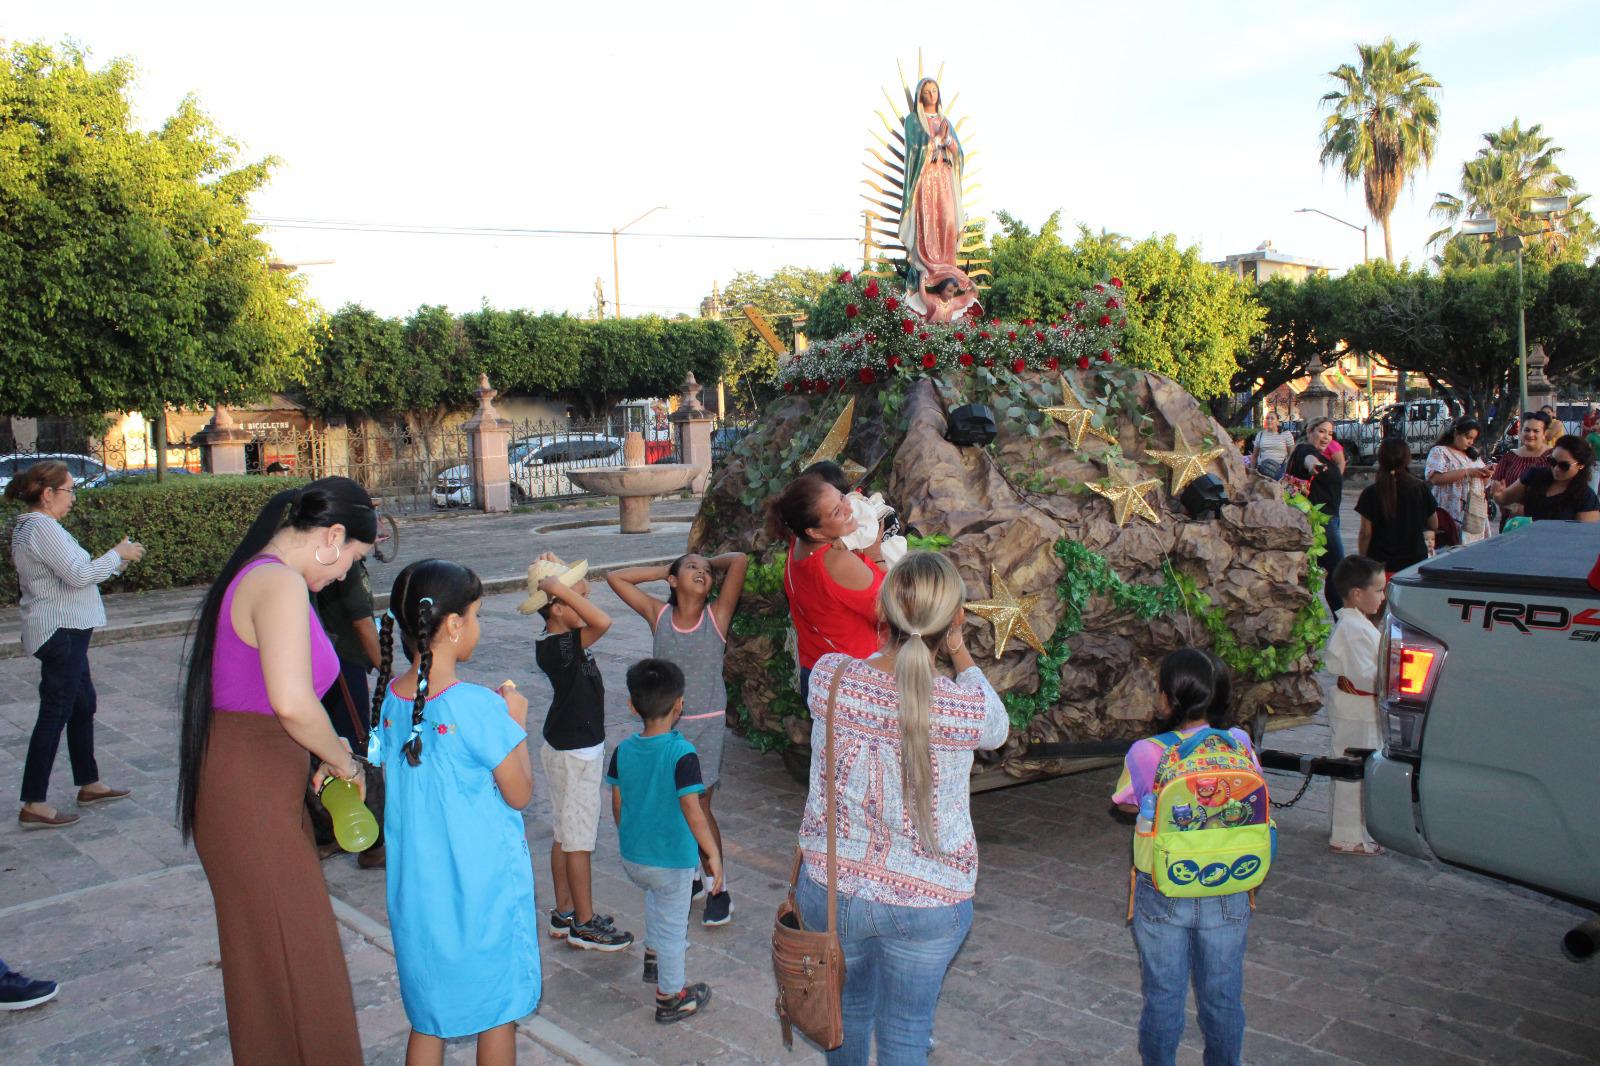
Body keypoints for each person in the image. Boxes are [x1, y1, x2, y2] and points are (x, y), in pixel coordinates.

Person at [177, 477, 376, 1065]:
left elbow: (273, 702)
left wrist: (317, 750)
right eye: (352, 561)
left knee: (271, 960)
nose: (344, 577)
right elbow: (291, 702)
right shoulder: (278, 582)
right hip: (250, 789)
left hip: (254, 778)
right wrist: (344, 759)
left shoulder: (264, 576)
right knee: (297, 957)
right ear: (331, 537)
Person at [796, 552, 1009, 1066]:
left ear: (882, 612)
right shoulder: (964, 707)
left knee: (844, 1014)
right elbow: (998, 730)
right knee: (908, 1029)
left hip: (833, 889)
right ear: (955, 620)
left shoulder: (830, 678)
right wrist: (960, 652)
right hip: (930, 901)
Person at [370, 559, 539, 1066]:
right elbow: (520, 793)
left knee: (429, 1017)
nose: (478, 626)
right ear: (453, 625)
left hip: (418, 895)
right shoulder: (477, 706)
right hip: (480, 892)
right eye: (477, 615)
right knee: (497, 1010)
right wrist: (516, 723)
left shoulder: (391, 699)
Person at [1112, 649, 1259, 1066]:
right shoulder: (1239, 743)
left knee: (1162, 997)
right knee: (1224, 996)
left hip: (1163, 888)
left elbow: (1125, 802)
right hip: (1229, 884)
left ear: (1167, 699)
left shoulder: (1145, 752)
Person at [606, 551, 748, 927]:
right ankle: (694, 879)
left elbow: (739, 561)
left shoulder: (716, 618)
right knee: (676, 803)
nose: (701, 572)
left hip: (705, 725)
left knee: (699, 804)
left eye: (705, 571)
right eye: (692, 568)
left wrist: (706, 562)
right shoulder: (659, 616)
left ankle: (718, 885)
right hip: (667, 729)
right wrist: (666, 567)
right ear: (673, 581)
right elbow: (616, 578)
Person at [5, 461, 144, 829]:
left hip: (69, 629)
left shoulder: (37, 528)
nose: (73, 498)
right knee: (56, 713)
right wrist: (117, 555)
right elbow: (80, 574)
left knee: (83, 705)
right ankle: (34, 801)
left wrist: (115, 561)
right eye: (68, 491)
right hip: (61, 631)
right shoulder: (41, 528)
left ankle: (89, 782)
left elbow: (77, 574)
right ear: (48, 494)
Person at [607, 659, 725, 1024]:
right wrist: (712, 855)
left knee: (653, 899)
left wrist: (631, 835)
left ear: (632, 704)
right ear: (679, 705)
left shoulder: (623, 750)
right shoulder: (681, 753)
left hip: (634, 856)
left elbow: (617, 802)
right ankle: (671, 995)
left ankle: (653, 957)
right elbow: (693, 809)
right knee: (675, 923)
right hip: (671, 859)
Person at [529, 554, 634, 951]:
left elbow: (589, 609)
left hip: (566, 745)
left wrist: (565, 583)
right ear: (557, 607)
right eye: (577, 596)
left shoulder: (559, 641)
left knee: (564, 833)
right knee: (578, 840)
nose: (585, 598)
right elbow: (603, 621)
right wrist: (559, 586)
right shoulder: (559, 647)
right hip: (576, 754)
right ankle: (584, 924)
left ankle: (564, 911)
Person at [769, 472, 886, 708]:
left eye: (842, 497)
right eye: (836, 512)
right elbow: (892, 609)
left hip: (817, 673)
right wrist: (876, 555)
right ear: (816, 532)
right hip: (853, 686)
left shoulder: (799, 543)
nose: (849, 508)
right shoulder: (837, 562)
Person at [312, 553, 386, 867]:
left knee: (324, 748)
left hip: (321, 663)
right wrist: (386, 671)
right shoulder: (345, 563)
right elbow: (362, 622)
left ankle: (328, 834)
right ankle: (374, 844)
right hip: (341, 666)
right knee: (356, 750)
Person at [898, 78, 980, 322]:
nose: (931, 94)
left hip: (944, 179)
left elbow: (959, 154)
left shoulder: (946, 122)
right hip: (925, 180)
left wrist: (948, 142)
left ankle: (946, 264)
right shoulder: (914, 121)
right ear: (920, 96)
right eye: (927, 91)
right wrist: (932, 142)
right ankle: (927, 263)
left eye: (934, 90)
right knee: (929, 220)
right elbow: (914, 150)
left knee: (947, 219)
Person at [1323, 556, 1388, 856]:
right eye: (1378, 590)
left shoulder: (1358, 624)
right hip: (1355, 709)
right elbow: (1365, 676)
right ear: (1357, 594)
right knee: (1352, 772)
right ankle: (1348, 836)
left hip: (1360, 709)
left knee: (1358, 769)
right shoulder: (1351, 628)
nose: (1383, 597)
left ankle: (1354, 831)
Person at [1355, 439, 1437, 578]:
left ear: (1380, 458)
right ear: (1407, 458)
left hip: (1380, 566)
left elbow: (1365, 533)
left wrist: (1363, 559)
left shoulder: (1370, 493)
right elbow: (1434, 524)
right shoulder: (1420, 488)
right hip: (1414, 564)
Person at [1289, 418, 1347, 611]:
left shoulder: (1324, 456)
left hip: (1331, 520)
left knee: (1332, 571)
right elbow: (1309, 460)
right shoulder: (1304, 450)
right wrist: (1314, 465)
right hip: (1322, 522)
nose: (1326, 437)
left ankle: (1338, 616)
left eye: (1330, 434)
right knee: (1339, 571)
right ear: (1310, 431)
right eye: (1322, 431)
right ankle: (1342, 616)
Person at [1492, 435, 1600, 523]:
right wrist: (1497, 495)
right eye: (1552, 461)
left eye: (1564, 465)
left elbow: (1583, 537)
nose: (1556, 469)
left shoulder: (1585, 496)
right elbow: (1504, 499)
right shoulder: (1534, 475)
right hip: (1525, 542)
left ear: (1581, 465)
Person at [1425, 418, 1492, 547]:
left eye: (1473, 439)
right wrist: (1467, 472)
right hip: (1451, 507)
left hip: (1474, 510)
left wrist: (1485, 473)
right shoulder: (1440, 451)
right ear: (1456, 433)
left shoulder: (1472, 455)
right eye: (1468, 437)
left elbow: (1484, 482)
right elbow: (1435, 478)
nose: (1471, 442)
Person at [1490, 413, 1554, 528]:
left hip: (1544, 522)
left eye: (1536, 431)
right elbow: (1496, 491)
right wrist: (1514, 507)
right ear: (1520, 431)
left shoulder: (1553, 457)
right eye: (1527, 430)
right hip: (1513, 523)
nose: (1530, 434)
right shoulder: (1509, 457)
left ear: (1545, 434)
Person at [1250, 413, 1294, 481]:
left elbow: (1291, 455)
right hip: (1262, 471)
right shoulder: (1260, 434)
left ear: (1277, 422)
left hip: (1280, 472)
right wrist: (1251, 472)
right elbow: (1255, 455)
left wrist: (1288, 473)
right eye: (1267, 418)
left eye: (1272, 418)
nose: (1269, 420)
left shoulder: (1286, 434)